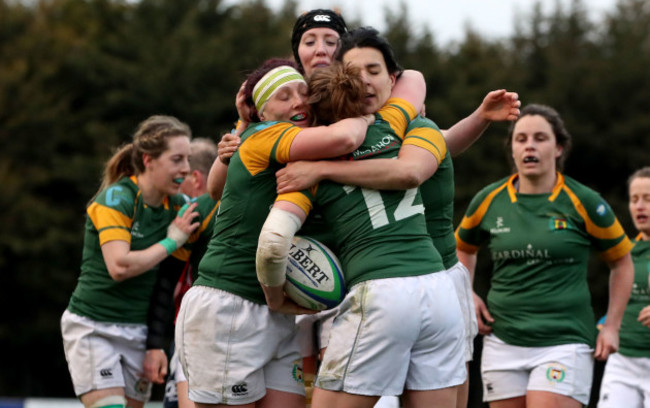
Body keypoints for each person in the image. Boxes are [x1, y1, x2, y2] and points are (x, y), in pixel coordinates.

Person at [256, 27, 466, 408]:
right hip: (439, 290)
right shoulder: (397, 124)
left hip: (382, 291)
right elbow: (413, 81)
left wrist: (275, 295)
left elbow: (274, 241)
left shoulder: (306, 165)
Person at [175, 58, 381, 408]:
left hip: (277, 312)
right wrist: (366, 115)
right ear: (264, 112)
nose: (299, 101)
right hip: (228, 305)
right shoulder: (264, 135)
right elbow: (345, 137)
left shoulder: (302, 161)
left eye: (303, 92)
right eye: (284, 96)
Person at [455, 104, 635, 408]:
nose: (530, 146)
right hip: (502, 339)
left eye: (540, 138)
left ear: (559, 148)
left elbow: (622, 262)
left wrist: (613, 326)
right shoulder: (488, 199)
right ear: (512, 149)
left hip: (565, 341)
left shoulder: (584, 201)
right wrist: (467, 295)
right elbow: (463, 249)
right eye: (521, 139)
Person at [60, 115, 201, 408]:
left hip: (138, 331)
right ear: (149, 160)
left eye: (187, 160)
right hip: (93, 327)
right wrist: (172, 240)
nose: (186, 169)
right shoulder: (116, 199)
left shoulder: (180, 208)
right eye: (176, 160)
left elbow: (166, 285)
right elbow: (119, 267)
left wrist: (154, 346)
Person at [143, 137, 219, 408]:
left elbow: (166, 283)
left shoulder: (196, 213)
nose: (176, 186)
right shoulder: (180, 215)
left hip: (197, 332)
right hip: (188, 333)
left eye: (182, 178)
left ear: (196, 179)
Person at [598, 166, 650, 408]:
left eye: (648, 199)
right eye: (634, 199)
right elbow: (623, 299)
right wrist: (607, 323)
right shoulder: (624, 253)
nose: (640, 206)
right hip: (624, 361)